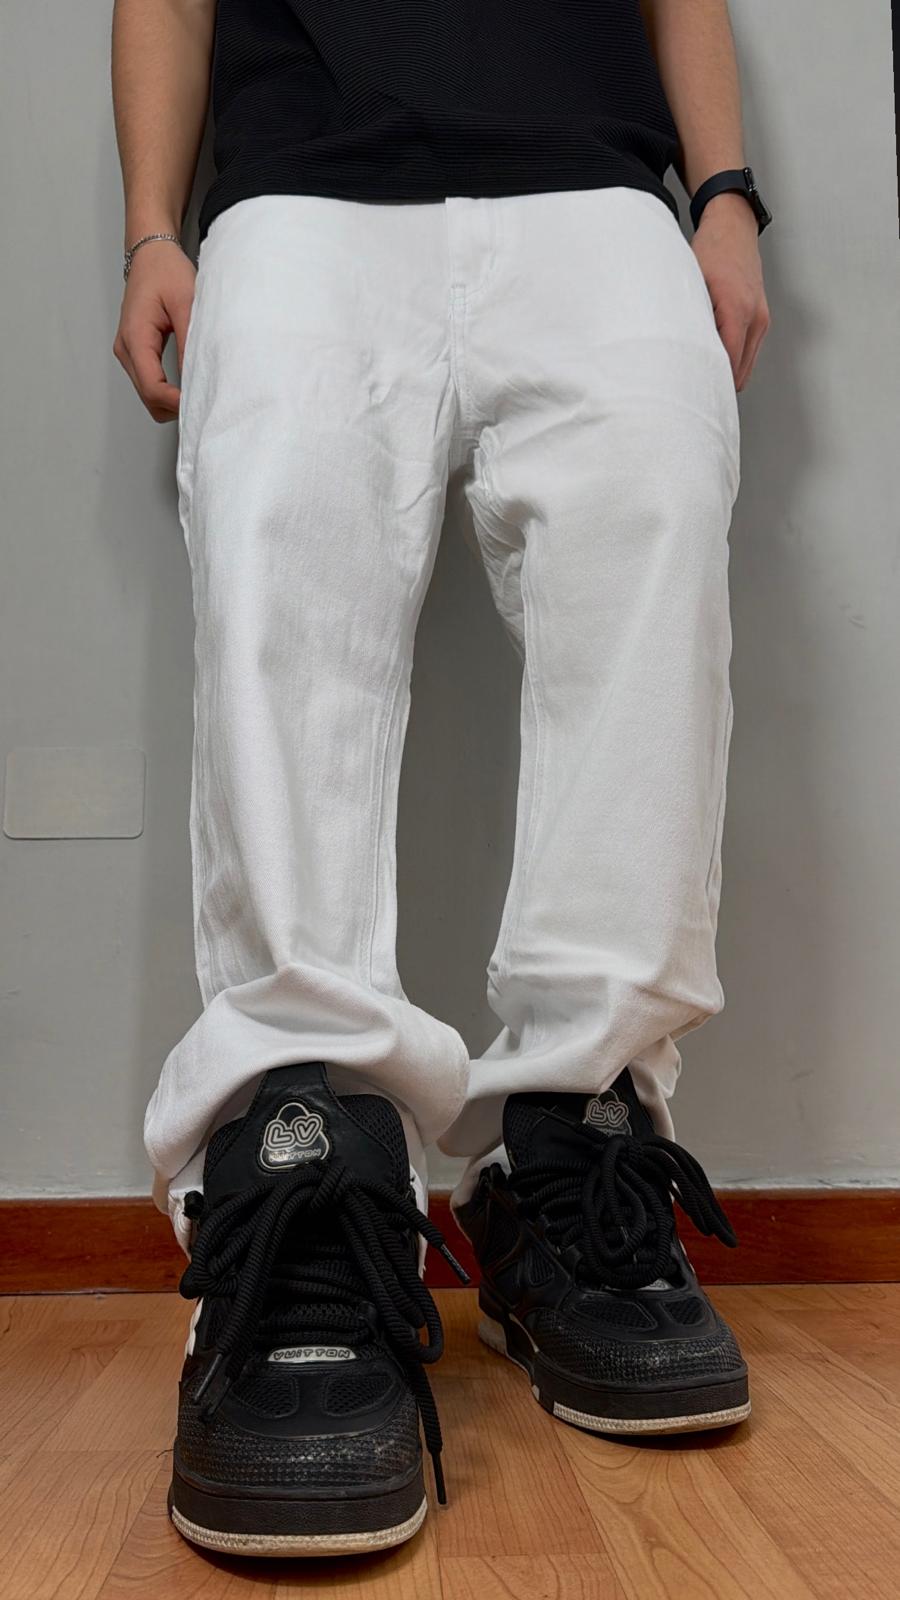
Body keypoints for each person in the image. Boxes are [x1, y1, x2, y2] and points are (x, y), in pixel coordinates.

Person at [112, 0, 771, 1560]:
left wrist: (726, 193)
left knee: (652, 575)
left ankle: (573, 1152)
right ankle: (307, 1159)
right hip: (300, 186)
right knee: (280, 608)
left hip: (597, 191)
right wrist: (150, 228)